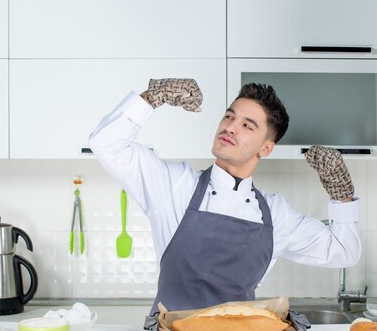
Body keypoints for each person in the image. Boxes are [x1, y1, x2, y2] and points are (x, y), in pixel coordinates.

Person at [89, 79, 361, 314]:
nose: (231, 127)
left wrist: (342, 194)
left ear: (266, 148)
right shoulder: (174, 186)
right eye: (229, 117)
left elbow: (345, 252)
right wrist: (153, 96)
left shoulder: (276, 214)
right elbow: (105, 142)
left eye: (248, 125)